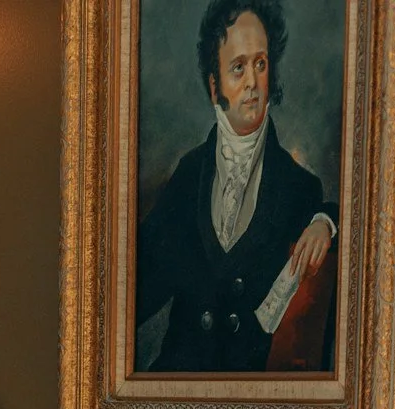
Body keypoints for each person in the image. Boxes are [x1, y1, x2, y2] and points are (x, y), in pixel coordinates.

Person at [135, 2, 338, 375]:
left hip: (252, 396)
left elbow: (347, 216)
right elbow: (143, 280)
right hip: (177, 385)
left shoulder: (298, 187)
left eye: (260, 64)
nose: (252, 82)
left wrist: (326, 221)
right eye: (238, 67)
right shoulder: (189, 172)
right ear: (215, 87)